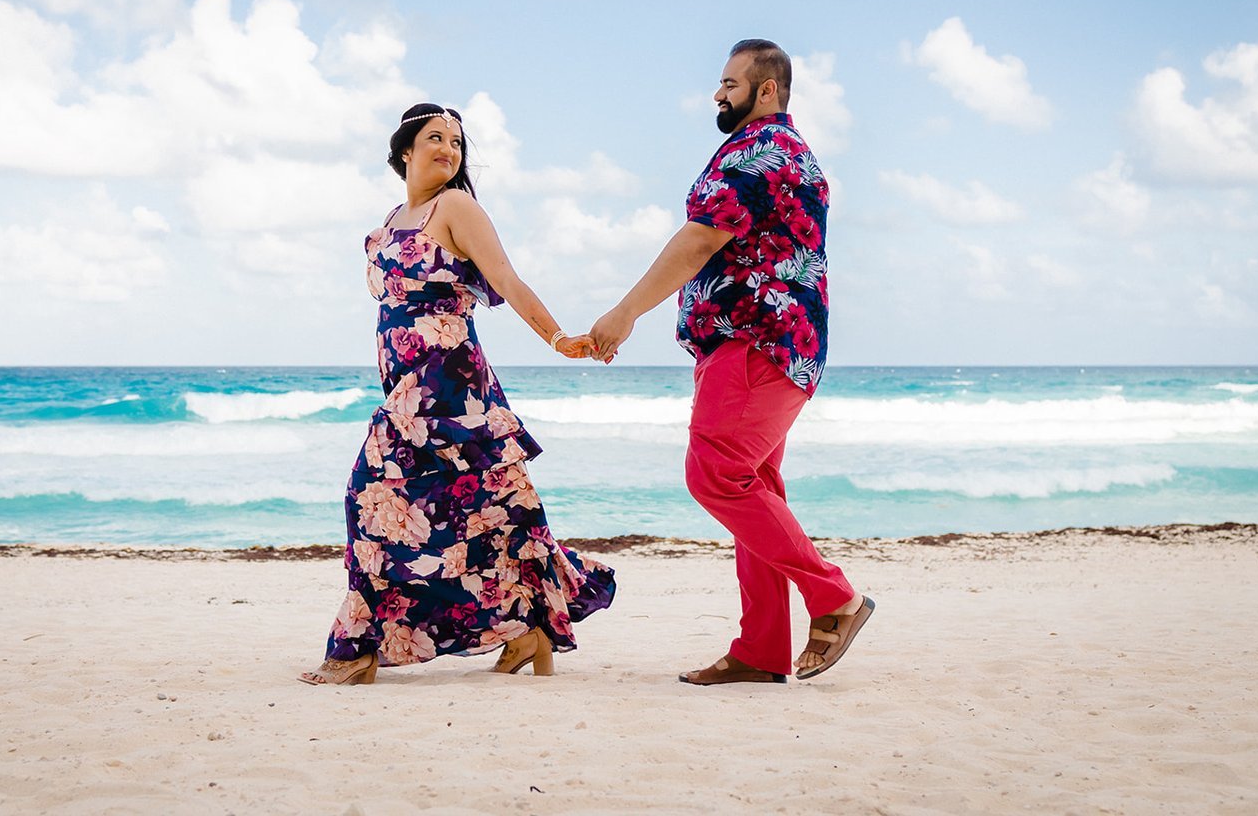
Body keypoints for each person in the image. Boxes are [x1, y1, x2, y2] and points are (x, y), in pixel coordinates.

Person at [300, 103, 616, 686]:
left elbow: (506, 278)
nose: (448, 149)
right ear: (405, 151)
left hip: (448, 381)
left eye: (457, 142)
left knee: (371, 495)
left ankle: (361, 649)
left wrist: (557, 338)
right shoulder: (395, 217)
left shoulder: (457, 206)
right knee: (479, 510)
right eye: (435, 138)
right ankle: (527, 634)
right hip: (405, 386)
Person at [588, 40, 873, 685]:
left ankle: (834, 598)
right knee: (753, 487)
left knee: (714, 473)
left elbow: (699, 240)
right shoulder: (773, 152)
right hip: (762, 341)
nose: (718, 92)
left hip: (757, 338)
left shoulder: (761, 152)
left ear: (765, 89)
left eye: (729, 82)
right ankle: (762, 648)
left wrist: (626, 312)